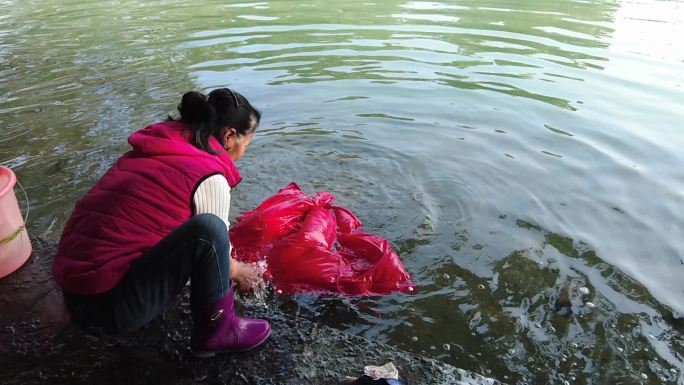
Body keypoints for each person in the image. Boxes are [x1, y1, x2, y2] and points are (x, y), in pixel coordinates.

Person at [52, 88, 270, 357]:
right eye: (246, 144)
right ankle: (218, 332)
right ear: (228, 136)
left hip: (74, 297)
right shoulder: (209, 175)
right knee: (209, 230)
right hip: (108, 313)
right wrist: (237, 271)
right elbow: (216, 251)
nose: (244, 151)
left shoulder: (159, 148)